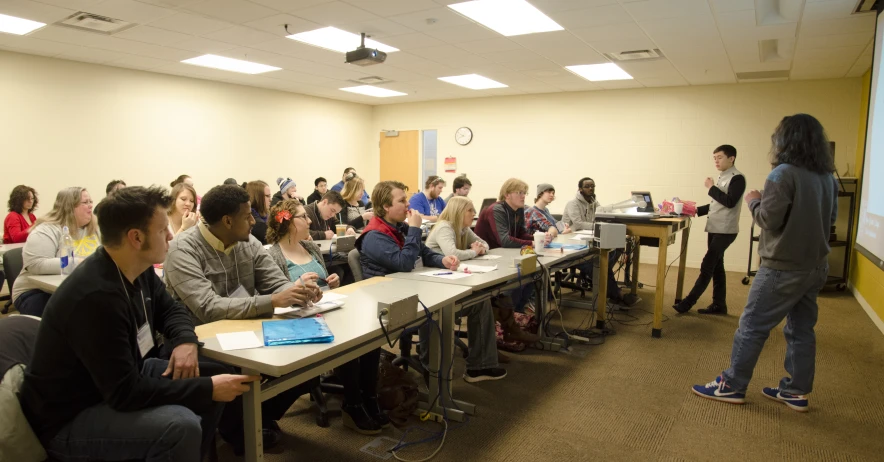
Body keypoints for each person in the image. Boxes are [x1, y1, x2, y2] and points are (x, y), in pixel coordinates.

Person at [19, 186, 256, 462]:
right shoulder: (95, 297)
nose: (171, 235)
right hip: (69, 417)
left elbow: (172, 310)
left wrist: (185, 341)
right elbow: (125, 394)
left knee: (210, 373)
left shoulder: (134, 268)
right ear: (136, 237)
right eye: (162, 230)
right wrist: (208, 388)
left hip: (113, 383)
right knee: (182, 425)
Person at [692, 114, 838, 413]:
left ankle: (732, 385)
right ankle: (795, 391)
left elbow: (767, 220)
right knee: (801, 330)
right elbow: (831, 221)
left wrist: (754, 200)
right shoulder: (827, 177)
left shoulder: (782, 174)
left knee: (752, 326)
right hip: (817, 267)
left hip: (782, 267)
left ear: (785, 140)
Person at [164, 184, 322, 452]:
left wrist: (297, 291)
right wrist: (272, 301)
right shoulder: (183, 249)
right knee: (232, 375)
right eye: (248, 216)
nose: (254, 221)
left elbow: (276, 282)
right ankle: (241, 430)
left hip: (248, 331)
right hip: (201, 340)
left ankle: (251, 419)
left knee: (306, 364)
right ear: (227, 221)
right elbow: (207, 308)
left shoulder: (248, 243)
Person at [427, 196, 530, 381]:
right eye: (470, 211)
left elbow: (486, 245)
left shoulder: (464, 229)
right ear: (459, 211)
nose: (474, 214)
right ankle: (481, 363)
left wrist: (477, 248)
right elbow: (453, 254)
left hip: (452, 280)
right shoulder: (444, 227)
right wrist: (474, 251)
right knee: (482, 301)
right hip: (436, 287)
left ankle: (488, 355)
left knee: (488, 297)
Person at [674, 145, 746, 315]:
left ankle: (687, 303)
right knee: (717, 267)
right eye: (714, 157)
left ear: (731, 158)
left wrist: (711, 188)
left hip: (726, 230)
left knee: (707, 265)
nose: (716, 161)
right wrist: (694, 210)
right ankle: (719, 305)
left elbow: (729, 202)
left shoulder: (738, 178)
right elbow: (716, 204)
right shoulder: (722, 177)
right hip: (715, 227)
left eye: (719, 157)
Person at [12, 187, 100, 317]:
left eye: (91, 201)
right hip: (36, 291)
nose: (90, 205)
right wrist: (80, 262)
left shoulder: (94, 228)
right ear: (69, 206)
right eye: (85, 202)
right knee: (75, 318)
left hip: (77, 289)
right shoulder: (47, 229)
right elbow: (36, 264)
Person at [562, 177, 638, 307]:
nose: (590, 188)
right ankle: (616, 293)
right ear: (580, 189)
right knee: (601, 265)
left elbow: (603, 214)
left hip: (589, 239)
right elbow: (579, 224)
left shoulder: (594, 202)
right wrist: (598, 226)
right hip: (573, 244)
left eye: (592, 186)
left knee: (618, 246)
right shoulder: (572, 204)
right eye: (587, 186)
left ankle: (600, 276)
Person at [474, 178, 536, 312]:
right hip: (487, 258)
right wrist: (533, 243)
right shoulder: (496, 209)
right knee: (521, 276)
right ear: (507, 195)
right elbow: (505, 241)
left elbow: (521, 235)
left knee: (534, 273)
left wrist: (539, 238)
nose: (523, 196)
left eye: (525, 193)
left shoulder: (518, 210)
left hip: (504, 255)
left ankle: (517, 313)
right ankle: (507, 314)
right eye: (519, 192)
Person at [246, 180, 272, 244]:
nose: (270, 200)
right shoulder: (256, 223)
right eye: (267, 196)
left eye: (270, 196)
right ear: (257, 198)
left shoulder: (266, 215)